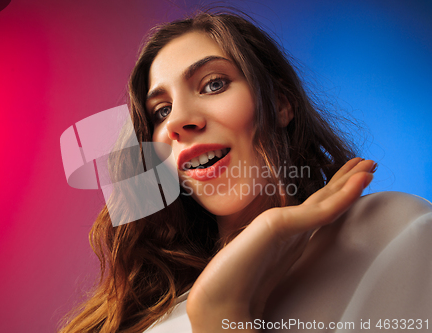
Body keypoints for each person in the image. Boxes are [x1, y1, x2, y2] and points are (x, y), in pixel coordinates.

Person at [60, 10, 432, 333]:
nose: (178, 122)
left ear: (280, 103)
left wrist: (221, 313)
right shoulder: (143, 307)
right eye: (161, 111)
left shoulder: (388, 231)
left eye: (213, 84)